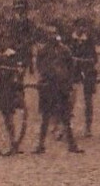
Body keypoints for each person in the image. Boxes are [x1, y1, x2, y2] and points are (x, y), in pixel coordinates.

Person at [33, 26, 82, 154]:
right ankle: (40, 145)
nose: (52, 37)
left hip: (61, 86)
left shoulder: (64, 50)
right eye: (49, 34)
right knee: (45, 117)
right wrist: (45, 76)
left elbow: (71, 66)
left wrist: (68, 80)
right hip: (48, 86)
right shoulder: (43, 51)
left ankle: (72, 145)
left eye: (54, 34)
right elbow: (39, 66)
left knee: (65, 116)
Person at [69, 18, 99, 136]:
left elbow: (95, 58)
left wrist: (85, 61)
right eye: (79, 27)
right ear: (75, 27)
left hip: (87, 71)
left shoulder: (89, 40)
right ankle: (66, 126)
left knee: (88, 100)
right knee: (70, 99)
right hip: (74, 72)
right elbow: (66, 56)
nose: (82, 29)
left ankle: (88, 127)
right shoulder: (70, 40)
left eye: (83, 27)